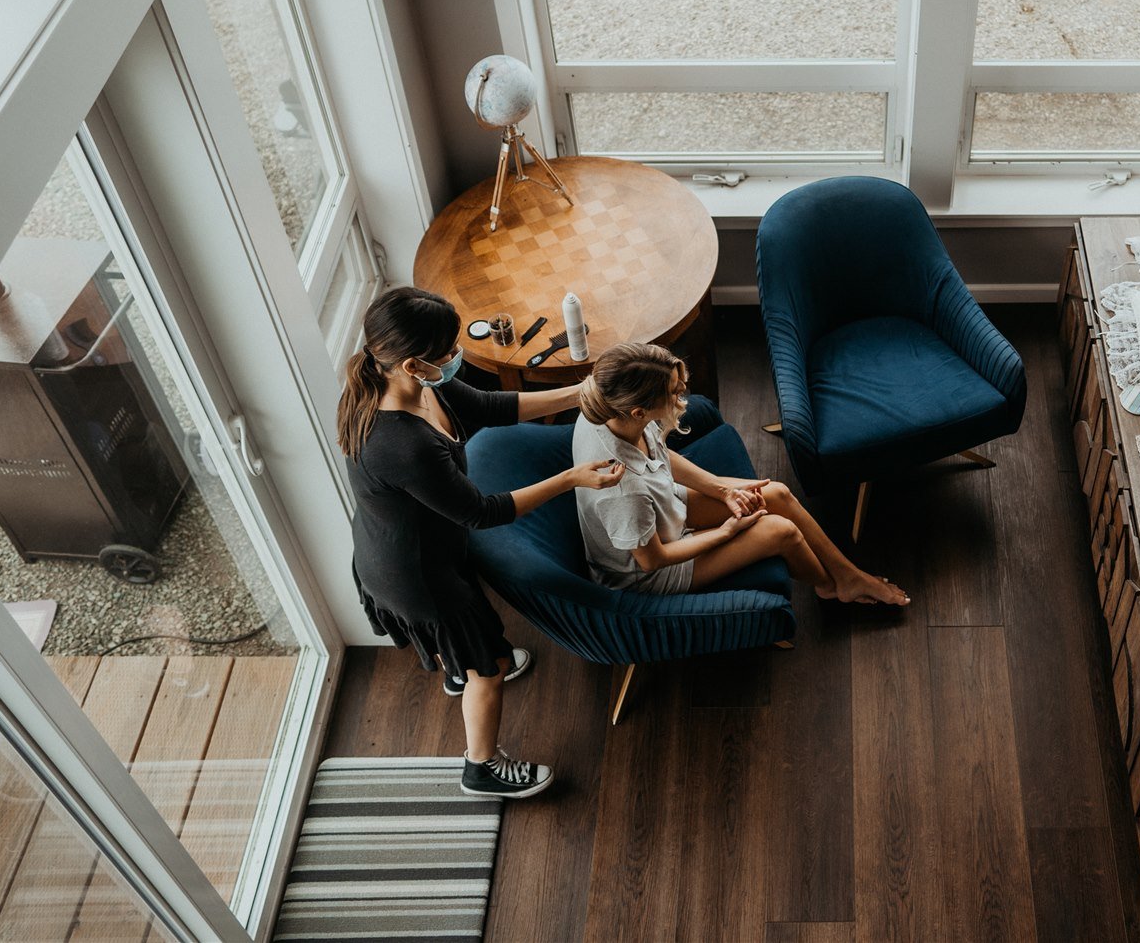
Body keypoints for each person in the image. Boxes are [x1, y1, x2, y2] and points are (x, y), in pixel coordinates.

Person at [338, 286, 624, 799]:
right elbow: (481, 512)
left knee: (467, 659)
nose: (457, 358)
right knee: (488, 671)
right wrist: (571, 477)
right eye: (448, 352)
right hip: (419, 576)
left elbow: (490, 406)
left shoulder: (410, 388)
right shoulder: (404, 445)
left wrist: (578, 393)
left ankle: (458, 667)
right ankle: (481, 766)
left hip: (400, 545)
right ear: (412, 364)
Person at [570, 342, 910, 606]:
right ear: (639, 410)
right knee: (781, 532)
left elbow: (660, 455)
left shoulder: (609, 411)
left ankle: (847, 575)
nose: (682, 396)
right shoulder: (622, 489)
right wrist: (725, 532)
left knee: (775, 493)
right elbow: (652, 560)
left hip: (662, 511)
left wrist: (723, 491)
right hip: (649, 575)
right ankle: (831, 587)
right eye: (674, 393)